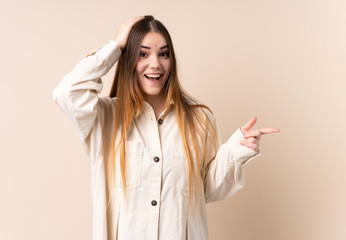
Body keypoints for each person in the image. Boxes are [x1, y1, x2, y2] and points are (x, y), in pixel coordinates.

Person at [53, 15, 280, 240]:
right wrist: (115, 46)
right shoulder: (106, 118)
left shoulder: (200, 118)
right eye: (143, 54)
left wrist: (235, 151)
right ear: (128, 58)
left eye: (163, 54)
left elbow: (207, 191)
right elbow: (67, 93)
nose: (155, 64)